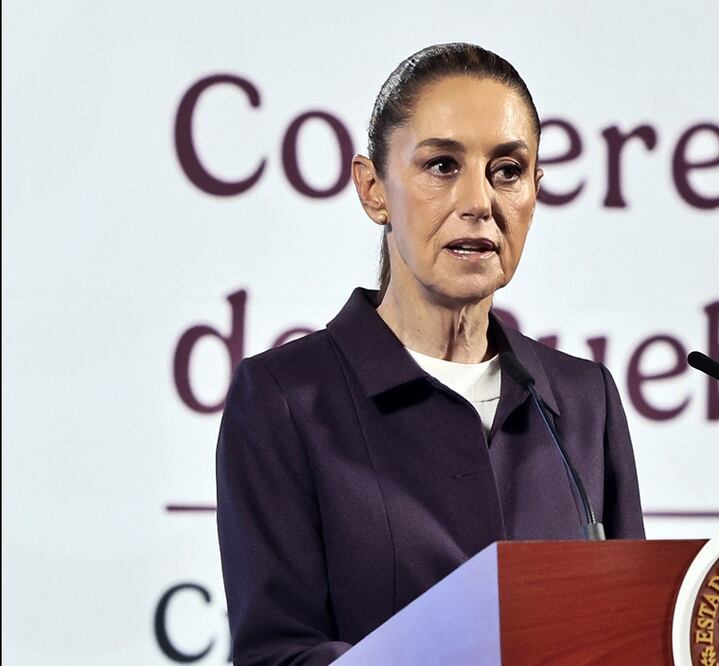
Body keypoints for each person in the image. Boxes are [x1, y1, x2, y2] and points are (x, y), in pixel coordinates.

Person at [216, 43, 645, 666]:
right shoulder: (286, 400)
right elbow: (277, 654)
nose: (480, 201)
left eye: (507, 170)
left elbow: (630, 635)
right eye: (443, 165)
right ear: (373, 190)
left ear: (535, 191)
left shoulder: (582, 402)